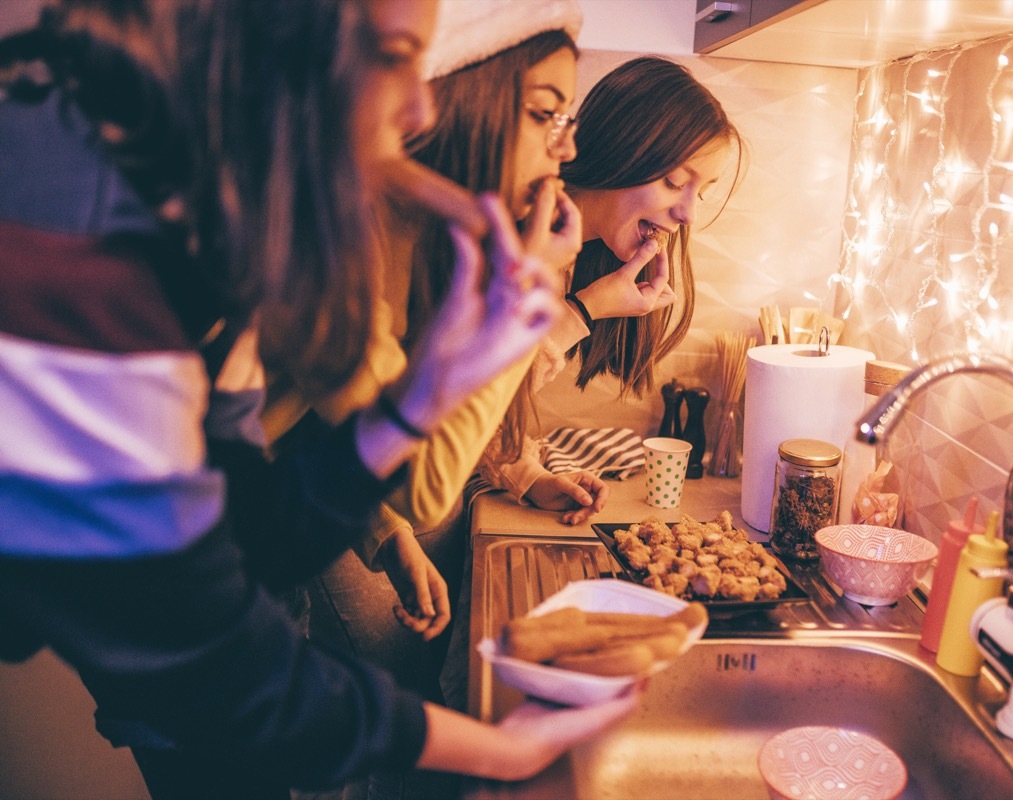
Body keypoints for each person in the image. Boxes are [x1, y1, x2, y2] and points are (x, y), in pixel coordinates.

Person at [0, 2, 639, 799]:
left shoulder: (214, 231)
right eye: (393, 55)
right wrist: (492, 751)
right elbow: (209, 658)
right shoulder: (79, 219)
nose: (418, 108)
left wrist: (422, 396)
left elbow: (250, 536)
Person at [477, 55, 745, 523]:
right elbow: (474, 396)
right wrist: (584, 311)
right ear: (621, 153)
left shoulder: (577, 253)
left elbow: (491, 416)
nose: (688, 214)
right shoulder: (513, 239)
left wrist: (532, 478)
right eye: (673, 181)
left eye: (698, 193)